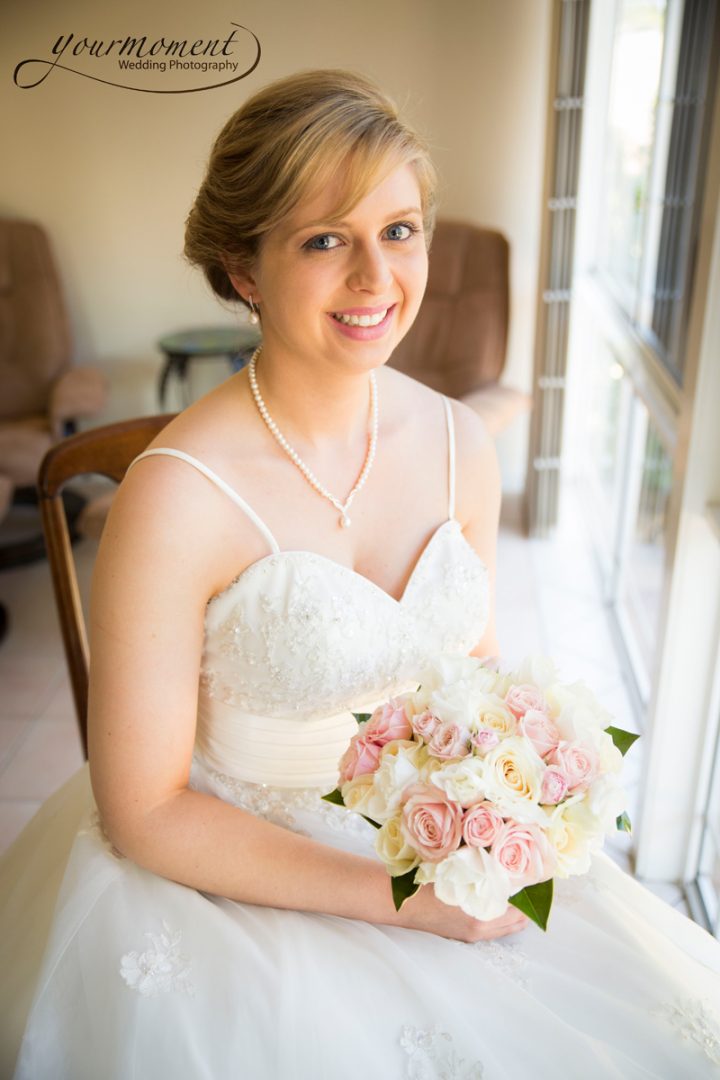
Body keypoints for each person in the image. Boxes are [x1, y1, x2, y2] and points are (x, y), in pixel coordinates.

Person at [2, 69, 720, 1079]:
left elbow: (472, 690)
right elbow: (147, 810)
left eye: (401, 229)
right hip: (227, 887)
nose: (378, 279)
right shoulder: (174, 498)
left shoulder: (466, 444)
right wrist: (406, 900)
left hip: (433, 848)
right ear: (243, 268)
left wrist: (503, 810)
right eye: (324, 239)